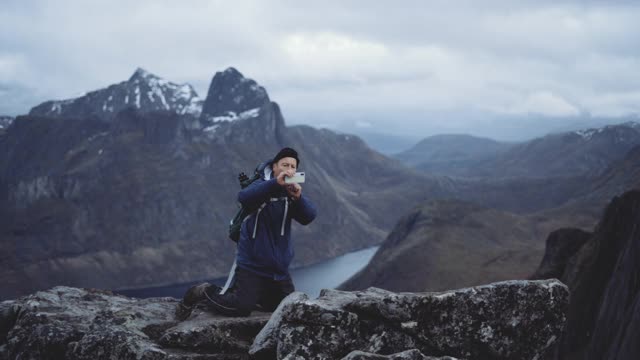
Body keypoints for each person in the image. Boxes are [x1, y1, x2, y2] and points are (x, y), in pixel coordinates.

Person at [175, 147, 317, 319]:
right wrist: (274, 184)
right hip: (253, 264)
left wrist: (298, 198)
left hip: (278, 269)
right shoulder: (261, 184)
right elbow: (244, 197)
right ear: (274, 167)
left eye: (293, 167)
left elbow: (308, 217)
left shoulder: (290, 192)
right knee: (240, 309)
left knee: (287, 308)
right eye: (284, 165)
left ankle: (258, 296)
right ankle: (203, 291)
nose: (289, 169)